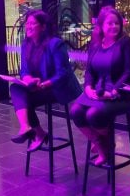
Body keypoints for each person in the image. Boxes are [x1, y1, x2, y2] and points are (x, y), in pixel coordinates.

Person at [70, 6, 130, 165]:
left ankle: (105, 146)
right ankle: (102, 145)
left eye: (117, 23)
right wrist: (88, 88)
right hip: (98, 91)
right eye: (110, 23)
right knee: (75, 111)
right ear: (101, 26)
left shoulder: (127, 43)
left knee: (93, 114)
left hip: (123, 93)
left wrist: (114, 91)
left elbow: (129, 72)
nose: (114, 26)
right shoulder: (95, 45)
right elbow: (89, 71)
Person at [10, 10, 82, 152]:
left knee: (23, 102)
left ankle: (38, 134)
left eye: (33, 23)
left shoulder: (55, 44)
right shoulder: (26, 45)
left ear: (43, 27)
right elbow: (24, 70)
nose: (29, 26)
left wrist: (45, 84)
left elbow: (63, 72)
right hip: (38, 86)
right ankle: (27, 127)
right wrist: (28, 79)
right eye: (27, 23)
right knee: (16, 89)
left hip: (57, 87)